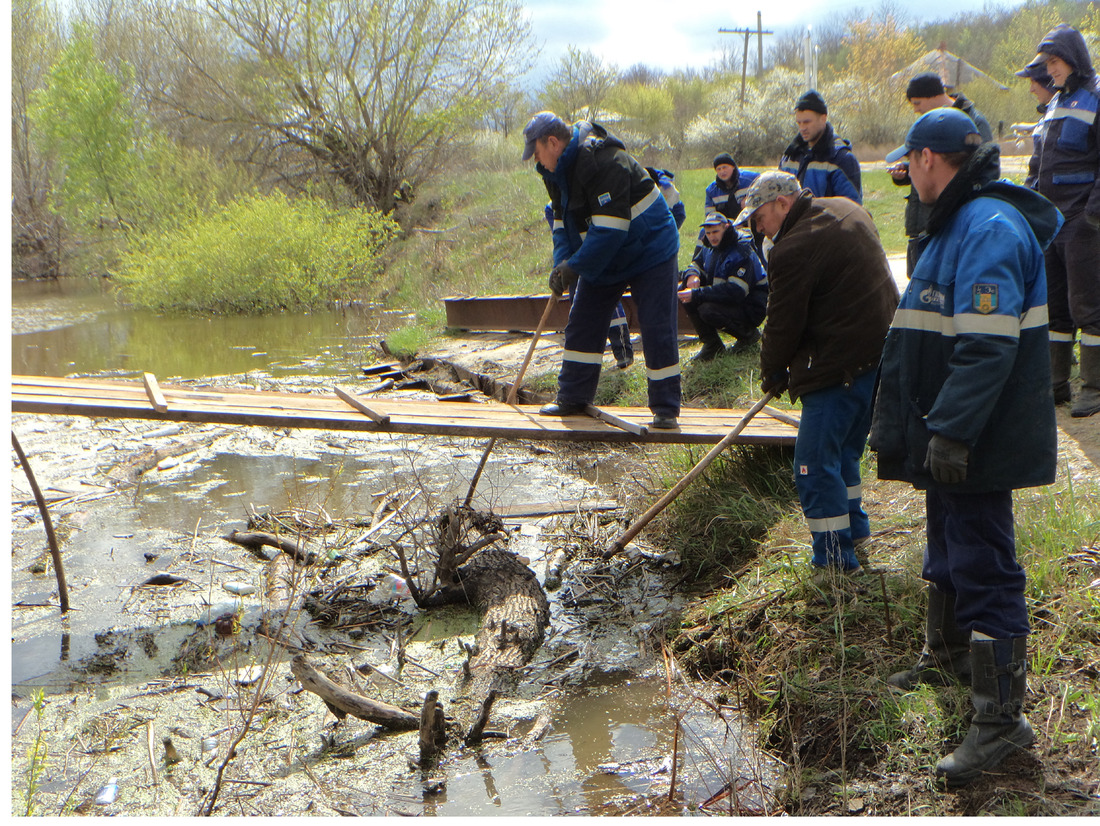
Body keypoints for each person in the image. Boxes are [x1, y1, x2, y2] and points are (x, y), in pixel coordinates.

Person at [870, 107, 1063, 786]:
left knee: (984, 563)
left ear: (928, 159)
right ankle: (947, 655)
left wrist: (951, 430)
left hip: (977, 436)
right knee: (948, 549)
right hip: (948, 432)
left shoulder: (987, 227)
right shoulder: (955, 222)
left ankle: (1002, 722)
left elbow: (985, 347)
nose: (906, 175)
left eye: (909, 163)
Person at [735, 170, 898, 576]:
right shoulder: (846, 208)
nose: (758, 228)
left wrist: (772, 370)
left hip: (836, 366)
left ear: (783, 204)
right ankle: (856, 534)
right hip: (876, 354)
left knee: (812, 464)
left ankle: (835, 562)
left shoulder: (793, 248)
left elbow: (782, 323)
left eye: (759, 218)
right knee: (844, 453)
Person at [523, 111, 681, 429]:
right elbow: (561, 224)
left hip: (649, 248)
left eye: (536, 152)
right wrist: (561, 265)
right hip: (605, 254)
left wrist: (576, 266)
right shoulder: (553, 171)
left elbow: (611, 231)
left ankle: (665, 408)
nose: (535, 161)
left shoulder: (605, 162)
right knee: (583, 320)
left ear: (552, 142)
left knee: (655, 325)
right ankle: (573, 397)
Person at [1025, 24, 1100, 417]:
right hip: (1051, 221)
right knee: (1055, 306)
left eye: (1053, 63)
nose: (1049, 71)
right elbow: (1039, 163)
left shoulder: (1097, 97)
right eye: (1047, 63)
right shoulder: (1054, 104)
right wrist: (1028, 201)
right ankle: (1056, 383)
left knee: (1088, 305)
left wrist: (1094, 214)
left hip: (1084, 221)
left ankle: (1093, 386)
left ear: (1072, 60)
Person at [890, 72, 996, 276]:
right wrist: (906, 173)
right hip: (920, 225)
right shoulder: (926, 123)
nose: (916, 109)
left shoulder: (974, 121)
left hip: (952, 228)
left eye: (918, 103)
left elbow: (982, 173)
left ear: (934, 96)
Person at [544, 202, 634, 370]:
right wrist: (561, 266)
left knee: (608, 300)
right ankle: (584, 363)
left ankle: (623, 352)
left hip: (596, 253)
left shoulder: (588, 195)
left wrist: (585, 260)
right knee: (578, 308)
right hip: (574, 261)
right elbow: (560, 237)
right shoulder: (553, 208)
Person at [678, 213, 767, 361]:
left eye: (715, 232)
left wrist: (698, 293)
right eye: (708, 233)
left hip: (751, 307)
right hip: (730, 300)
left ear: (726, 228)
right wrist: (692, 275)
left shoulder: (741, 250)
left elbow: (735, 292)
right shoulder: (710, 246)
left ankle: (748, 336)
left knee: (706, 309)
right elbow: (695, 263)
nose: (712, 237)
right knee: (685, 291)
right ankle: (712, 344)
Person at [778, 90, 862, 203]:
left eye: (807, 122)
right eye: (799, 123)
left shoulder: (842, 159)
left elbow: (851, 211)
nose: (802, 128)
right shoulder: (789, 156)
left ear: (823, 119)